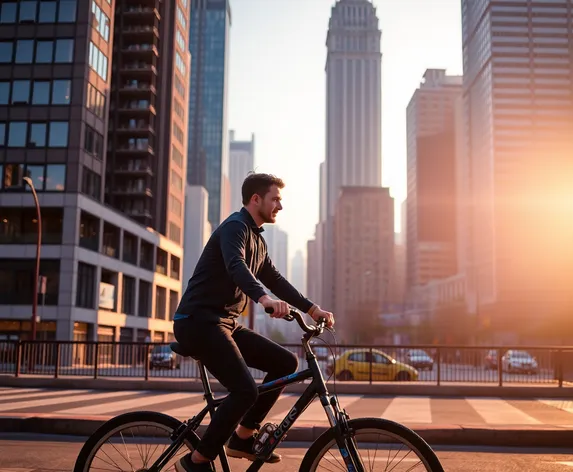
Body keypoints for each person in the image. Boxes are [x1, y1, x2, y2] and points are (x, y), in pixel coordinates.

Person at [173, 173, 335, 472]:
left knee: (285, 363)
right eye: (275, 199)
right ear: (256, 199)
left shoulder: (257, 239)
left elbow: (274, 278)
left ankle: (243, 437)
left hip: (224, 322)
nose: (280, 206)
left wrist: (312, 309)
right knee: (245, 390)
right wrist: (264, 300)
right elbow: (236, 265)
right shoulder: (235, 227)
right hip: (197, 321)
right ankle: (196, 462)